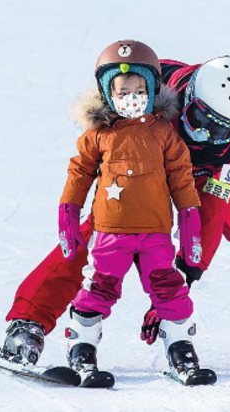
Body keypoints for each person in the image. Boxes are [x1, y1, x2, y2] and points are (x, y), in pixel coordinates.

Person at [2, 52, 230, 368]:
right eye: (201, 120)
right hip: (144, 163)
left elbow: (211, 214)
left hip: (203, 175)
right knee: (102, 229)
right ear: (187, 100)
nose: (206, 135)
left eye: (220, 130)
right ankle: (29, 319)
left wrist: (179, 280)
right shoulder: (154, 89)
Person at [54, 40, 215, 385]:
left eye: (139, 88)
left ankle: (180, 348)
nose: (131, 96)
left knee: (169, 289)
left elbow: (183, 181)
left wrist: (190, 227)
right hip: (111, 233)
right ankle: (82, 347)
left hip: (155, 234)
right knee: (100, 287)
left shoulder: (163, 135)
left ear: (153, 88)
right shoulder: (98, 136)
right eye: (122, 89)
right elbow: (78, 176)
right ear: (106, 92)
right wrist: (68, 219)